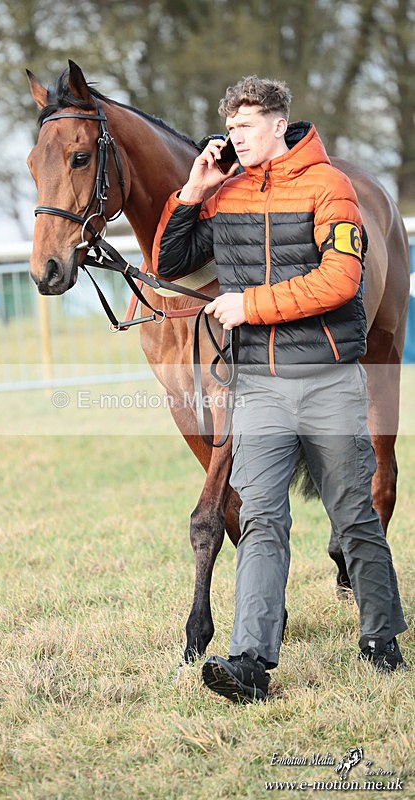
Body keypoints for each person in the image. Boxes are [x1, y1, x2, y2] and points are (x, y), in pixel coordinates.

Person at [152, 76, 408, 703]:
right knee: (263, 517)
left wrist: (249, 306)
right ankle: (250, 660)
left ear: (275, 124)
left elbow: (341, 281)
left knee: (353, 517)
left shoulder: (330, 188)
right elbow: (168, 263)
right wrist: (192, 192)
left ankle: (382, 636)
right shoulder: (227, 192)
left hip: (327, 384)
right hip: (258, 389)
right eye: (229, 127)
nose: (232, 137)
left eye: (243, 126)